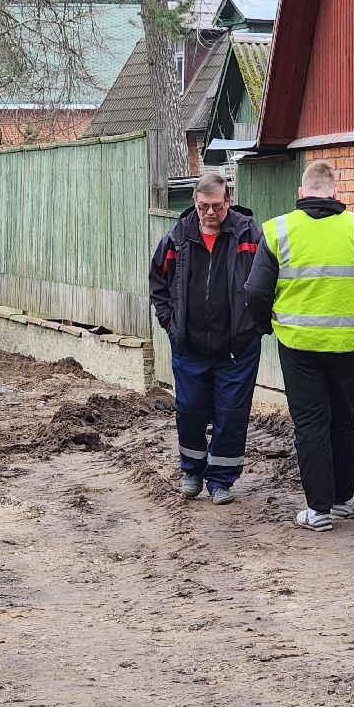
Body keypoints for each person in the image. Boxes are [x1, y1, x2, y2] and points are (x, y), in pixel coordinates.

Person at [245, 159, 354, 531]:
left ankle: (319, 511)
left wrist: (267, 327)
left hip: (298, 345)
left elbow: (256, 291)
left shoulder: (278, 230)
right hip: (348, 345)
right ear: (335, 192)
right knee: (343, 421)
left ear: (301, 193)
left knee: (310, 423)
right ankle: (344, 501)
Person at [149, 170, 266, 506]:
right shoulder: (176, 239)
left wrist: (254, 324)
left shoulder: (249, 235)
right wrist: (170, 323)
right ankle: (191, 470)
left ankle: (221, 480)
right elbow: (159, 283)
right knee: (190, 410)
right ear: (195, 203)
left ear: (227, 202)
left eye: (216, 206)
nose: (210, 213)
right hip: (190, 346)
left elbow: (266, 281)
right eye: (203, 206)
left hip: (237, 348)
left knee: (231, 413)